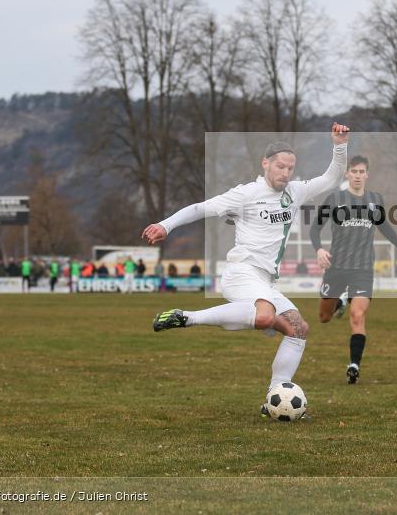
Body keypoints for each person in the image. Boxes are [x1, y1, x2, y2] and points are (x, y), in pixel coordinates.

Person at [143, 123, 350, 415]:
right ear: (265, 164)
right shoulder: (246, 194)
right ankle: (186, 317)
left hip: (264, 281)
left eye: (290, 168)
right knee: (264, 316)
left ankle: (273, 396)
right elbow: (200, 208)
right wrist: (166, 225)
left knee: (297, 329)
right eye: (280, 166)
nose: (285, 173)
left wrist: (339, 145)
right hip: (241, 272)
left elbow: (332, 178)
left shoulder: (296, 192)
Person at [309, 154, 397, 384]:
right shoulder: (335, 199)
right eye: (354, 171)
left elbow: (386, 228)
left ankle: (354, 366)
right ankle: (339, 301)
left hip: (363, 269)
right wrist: (319, 249)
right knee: (324, 317)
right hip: (336, 267)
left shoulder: (375, 200)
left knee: (358, 315)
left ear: (367, 175)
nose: (358, 176)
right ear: (347, 174)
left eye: (362, 172)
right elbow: (315, 228)